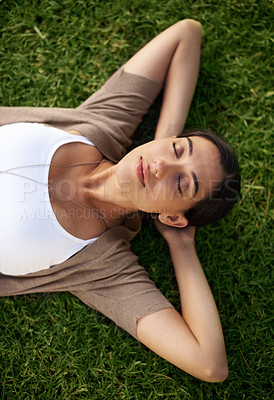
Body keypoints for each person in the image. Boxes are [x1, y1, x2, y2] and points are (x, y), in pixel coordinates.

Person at [0, 19, 240, 382]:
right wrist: (166, 136)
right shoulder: (104, 126)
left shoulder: (105, 267)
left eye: (181, 184)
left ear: (174, 216)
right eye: (178, 149)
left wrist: (181, 244)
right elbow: (186, 33)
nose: (160, 164)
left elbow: (210, 364)